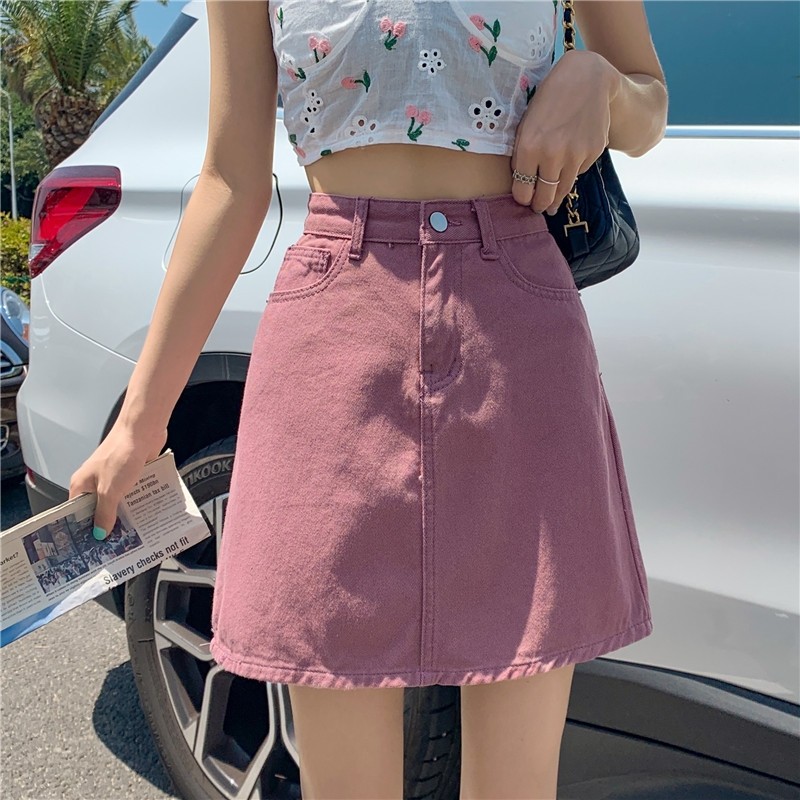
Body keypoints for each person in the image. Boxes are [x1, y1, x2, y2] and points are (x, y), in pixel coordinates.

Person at [69, 0, 668, 796]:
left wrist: (601, 82)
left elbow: (648, 103)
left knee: (517, 784)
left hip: (517, 331)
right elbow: (231, 180)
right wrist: (138, 425)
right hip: (334, 332)